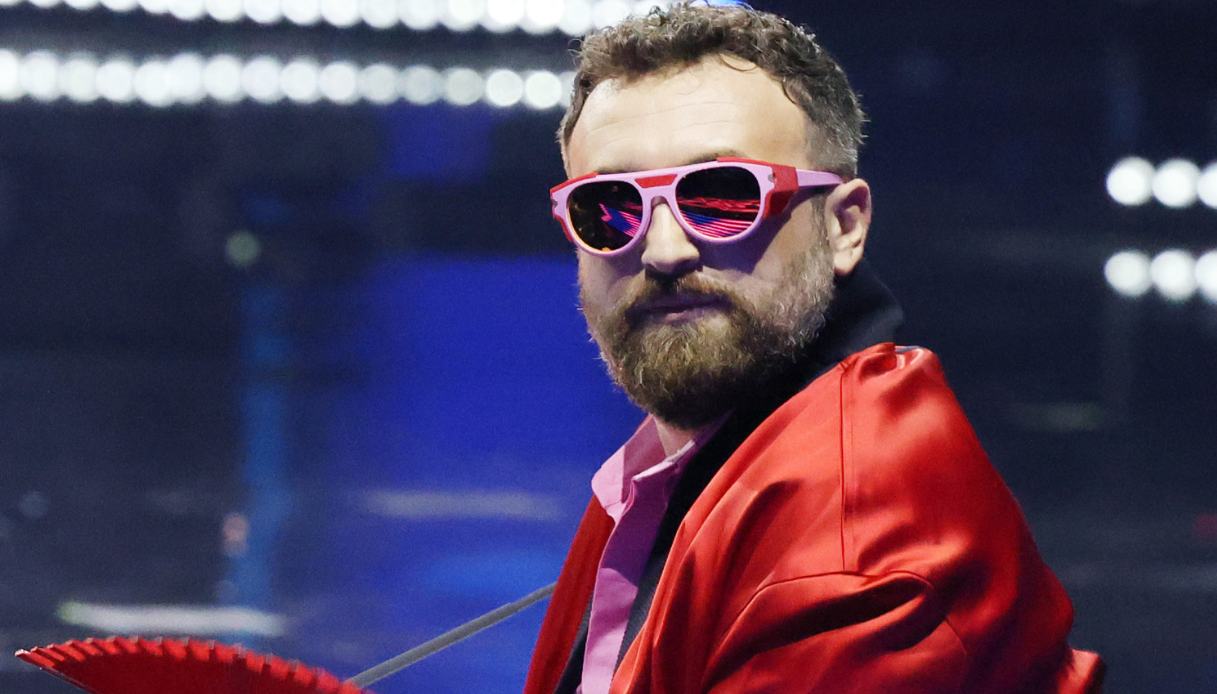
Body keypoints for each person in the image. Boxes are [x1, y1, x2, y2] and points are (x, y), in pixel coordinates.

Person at [525, 3, 1105, 692]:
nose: (664, 250)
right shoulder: (685, 465)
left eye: (722, 198)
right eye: (610, 209)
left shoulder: (857, 544)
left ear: (844, 227)